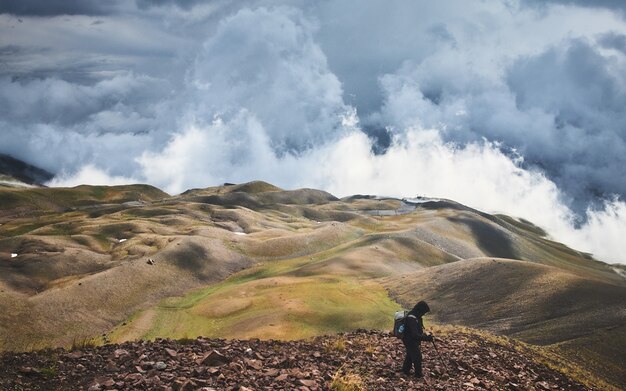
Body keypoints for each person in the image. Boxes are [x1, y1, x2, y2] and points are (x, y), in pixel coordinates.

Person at [401, 300, 433, 378]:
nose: (424, 314)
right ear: (420, 309)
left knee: (410, 354)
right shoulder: (412, 318)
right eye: (424, 312)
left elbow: (416, 333)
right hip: (409, 340)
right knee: (417, 356)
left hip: (409, 339)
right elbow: (415, 335)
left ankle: (405, 371)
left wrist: (424, 336)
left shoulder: (414, 315)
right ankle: (418, 375)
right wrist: (426, 338)